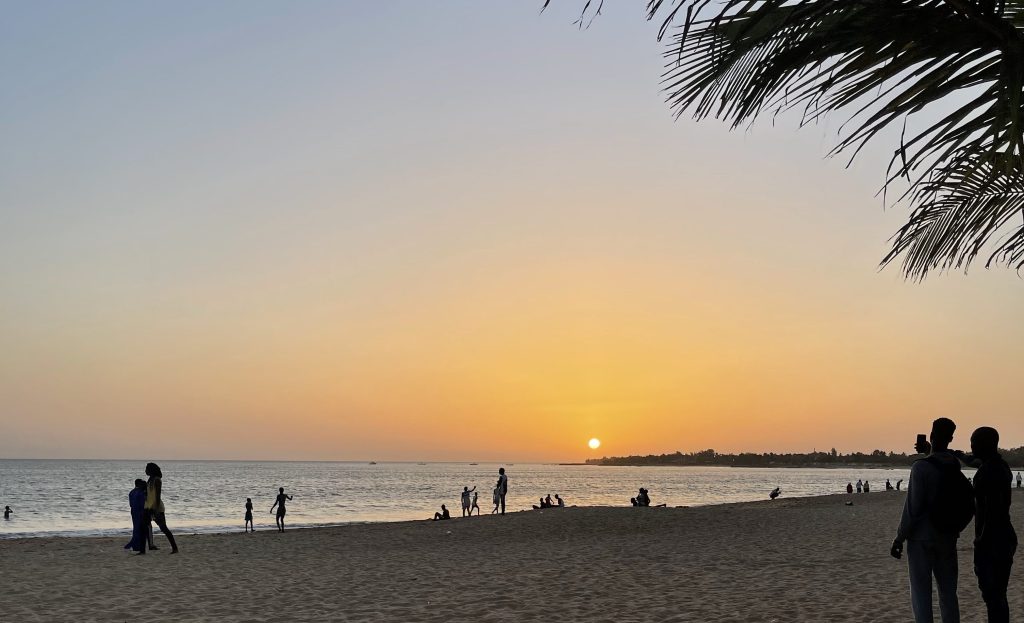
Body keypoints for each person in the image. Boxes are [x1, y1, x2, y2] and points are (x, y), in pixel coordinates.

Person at [890, 418, 965, 623]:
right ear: (951, 439)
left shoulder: (920, 467)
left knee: (921, 592)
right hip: (947, 535)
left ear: (931, 436)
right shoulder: (953, 464)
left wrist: (899, 537)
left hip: (921, 538)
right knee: (948, 592)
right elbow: (940, 461)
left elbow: (912, 509)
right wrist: (929, 451)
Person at [963, 427, 1017, 623]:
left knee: (992, 596)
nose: (971, 447)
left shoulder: (989, 472)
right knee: (998, 595)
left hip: (992, 541)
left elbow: (991, 512)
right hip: (1005, 538)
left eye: (973, 442)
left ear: (984, 445)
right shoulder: (1000, 465)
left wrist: (980, 541)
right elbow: (971, 460)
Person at [140, 462, 179, 555]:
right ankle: (143, 550)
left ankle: (175, 548)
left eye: (147, 469)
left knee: (164, 528)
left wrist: (156, 509)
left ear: (151, 470)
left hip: (156, 507)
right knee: (144, 527)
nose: (145, 471)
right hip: (147, 507)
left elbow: (157, 496)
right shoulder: (150, 480)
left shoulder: (157, 480)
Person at [125, 479, 148, 553]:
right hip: (140, 512)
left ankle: (136, 545)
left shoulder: (131, 492)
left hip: (133, 511)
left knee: (136, 528)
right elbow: (143, 504)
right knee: (140, 529)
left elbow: (131, 504)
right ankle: (137, 546)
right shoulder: (141, 492)